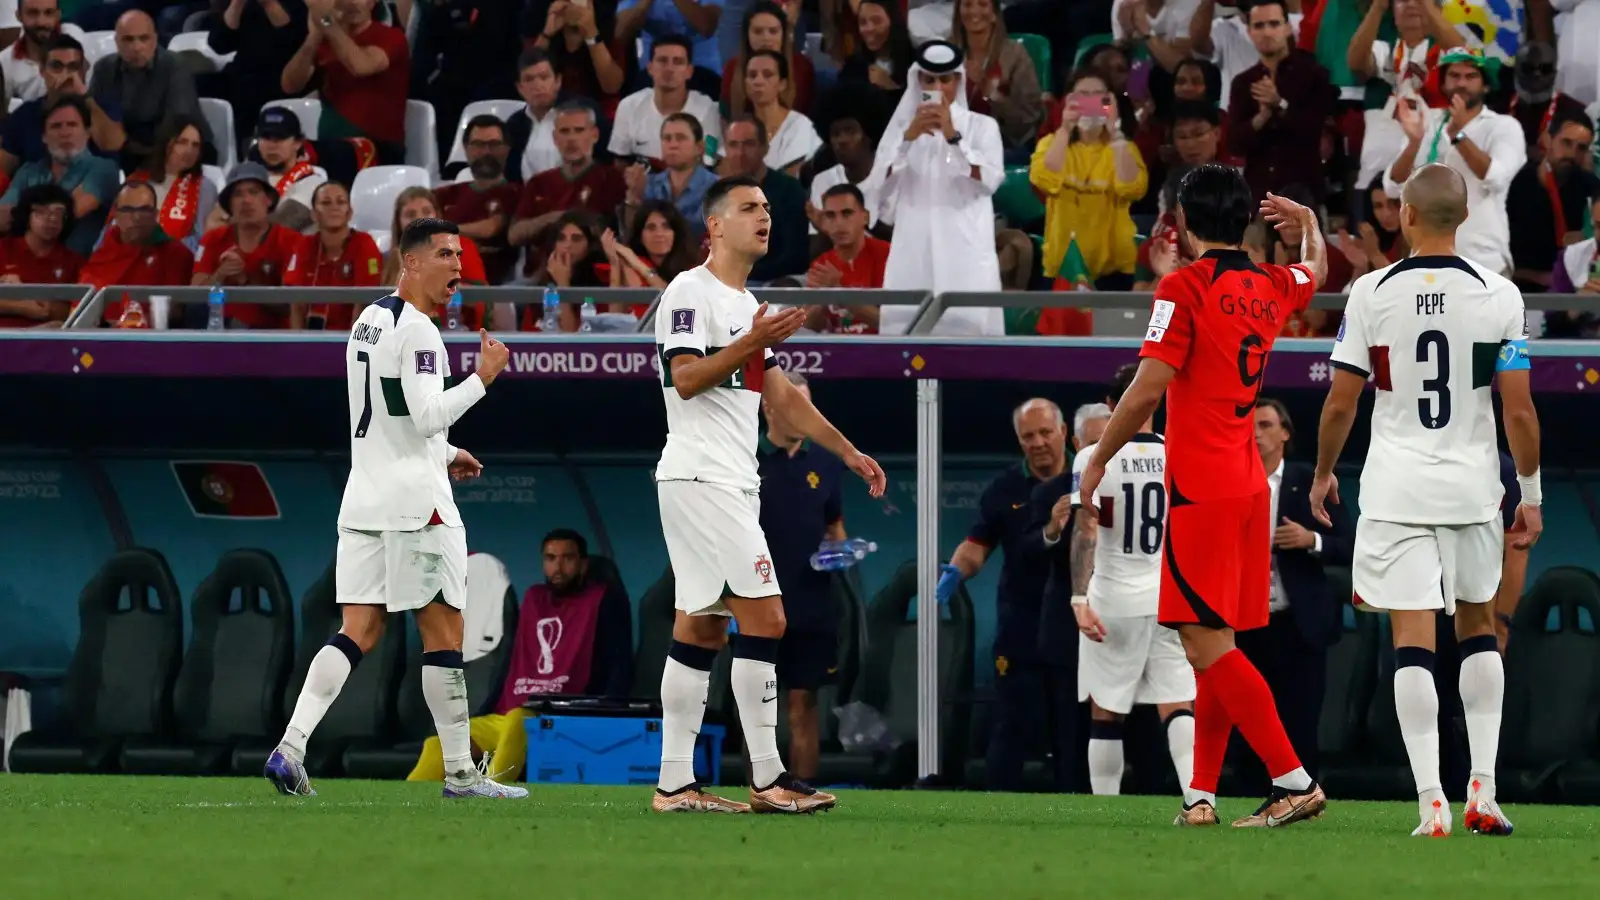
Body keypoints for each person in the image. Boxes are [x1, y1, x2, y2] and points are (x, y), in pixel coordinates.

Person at [1076, 163, 1328, 828]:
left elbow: (1150, 382)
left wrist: (1101, 457)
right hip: (1248, 485)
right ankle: (1203, 798)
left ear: (1182, 221)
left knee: (1203, 645)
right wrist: (1309, 228)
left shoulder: (1183, 285)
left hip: (1202, 485)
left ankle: (1294, 780)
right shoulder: (1272, 282)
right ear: (1244, 219)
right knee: (1217, 643)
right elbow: (1316, 275)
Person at [1309, 162, 1541, 838]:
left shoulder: (1370, 292)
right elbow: (1519, 413)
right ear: (1463, 218)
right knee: (1479, 631)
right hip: (1472, 485)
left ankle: (1430, 801)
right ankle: (1485, 791)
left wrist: (1324, 473)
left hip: (1396, 486)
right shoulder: (1499, 296)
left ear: (1405, 216)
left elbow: (1341, 399)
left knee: (1412, 639)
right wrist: (1530, 493)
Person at [263, 216, 523, 800]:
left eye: (460, 255)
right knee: (444, 633)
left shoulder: (370, 320)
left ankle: (290, 747)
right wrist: (482, 379)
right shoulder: (423, 333)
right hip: (416, 508)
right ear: (410, 262)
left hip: (364, 499)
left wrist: (447, 452)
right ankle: (460, 772)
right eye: (445, 255)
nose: (458, 266)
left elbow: (394, 417)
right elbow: (427, 414)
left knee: (358, 629)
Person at [651, 174, 887, 813]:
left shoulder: (745, 302)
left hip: (719, 480)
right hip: (704, 479)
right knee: (768, 618)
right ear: (716, 226)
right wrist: (754, 339)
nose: (764, 217)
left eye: (766, 209)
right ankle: (769, 778)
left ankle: (674, 784)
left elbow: (780, 395)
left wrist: (846, 450)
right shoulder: (689, 293)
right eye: (749, 208)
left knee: (699, 630)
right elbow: (686, 379)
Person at [1046, 363, 1194, 797]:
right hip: (1169, 596)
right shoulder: (1178, 452)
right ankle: (1197, 798)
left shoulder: (1093, 456)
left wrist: (1077, 597)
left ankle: (1104, 806)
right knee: (1178, 703)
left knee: (1106, 711)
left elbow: (1086, 529)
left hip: (1112, 598)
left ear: (1112, 407)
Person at [937, 398, 1077, 792]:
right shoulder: (1005, 488)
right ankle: (997, 807)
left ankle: (1078, 808)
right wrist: (957, 569)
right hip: (1022, 625)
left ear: (1064, 432)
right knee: (1014, 720)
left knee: (1071, 728)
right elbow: (977, 544)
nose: (1037, 442)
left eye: (1045, 433)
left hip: (1075, 628)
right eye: (1028, 436)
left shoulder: (1088, 477)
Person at [870, 40, 1004, 335]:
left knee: (970, 345)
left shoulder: (982, 127)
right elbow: (878, 193)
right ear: (917, 80)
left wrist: (952, 136)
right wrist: (907, 140)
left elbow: (990, 181)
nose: (938, 87)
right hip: (913, 251)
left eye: (945, 79)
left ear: (958, 81)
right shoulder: (902, 129)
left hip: (964, 254)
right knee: (906, 343)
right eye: (929, 79)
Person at [758, 369, 848, 782]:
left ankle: (802, 792)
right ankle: (760, 789)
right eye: (798, 404)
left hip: (811, 604)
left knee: (802, 704)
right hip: (755, 603)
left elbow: (835, 530)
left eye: (810, 405)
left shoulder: (826, 464)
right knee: (758, 708)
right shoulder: (744, 457)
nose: (806, 414)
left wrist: (840, 553)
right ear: (768, 405)